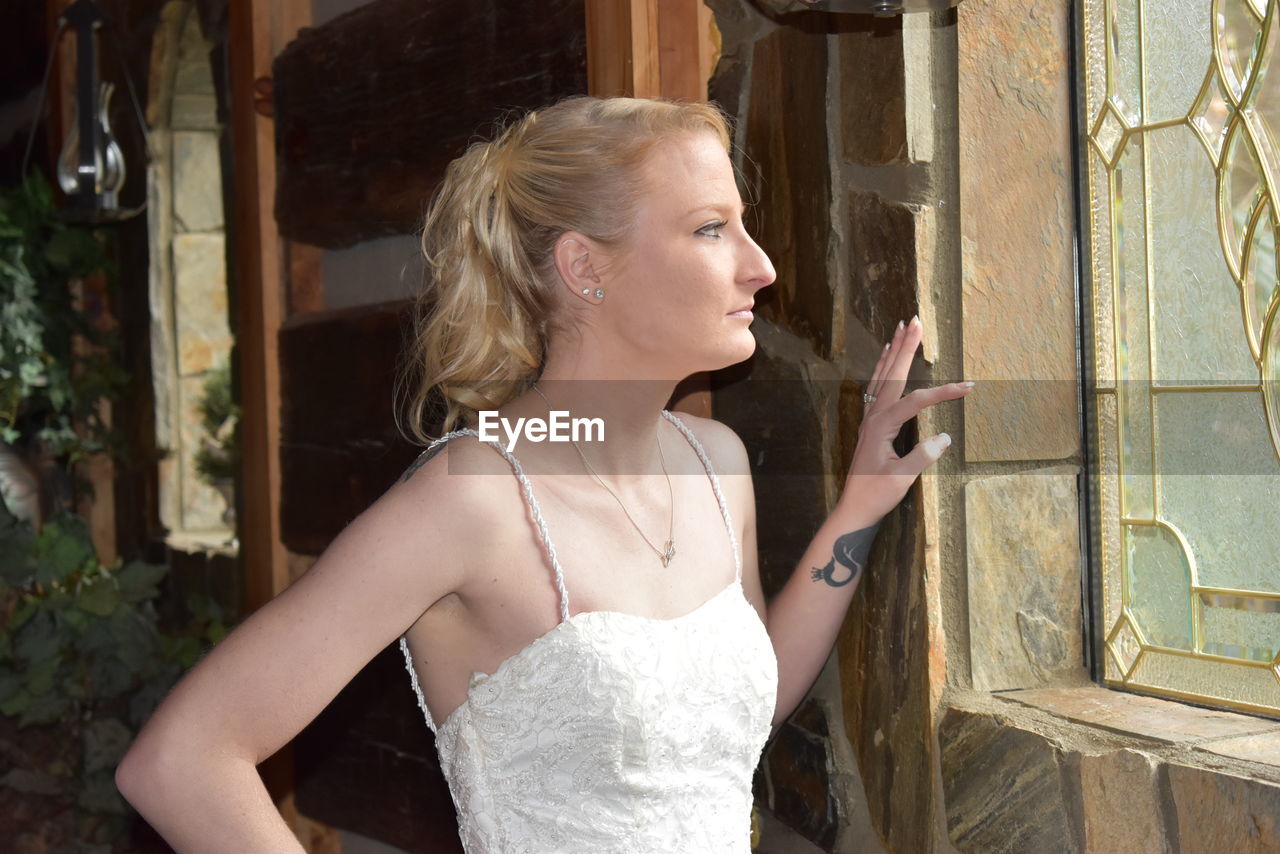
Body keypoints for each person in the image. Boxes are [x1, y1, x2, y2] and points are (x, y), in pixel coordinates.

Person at [116, 95, 970, 853]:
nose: (762, 266)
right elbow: (181, 760)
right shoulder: (471, 501)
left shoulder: (715, 464)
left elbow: (735, 709)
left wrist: (857, 508)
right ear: (585, 267)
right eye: (712, 228)